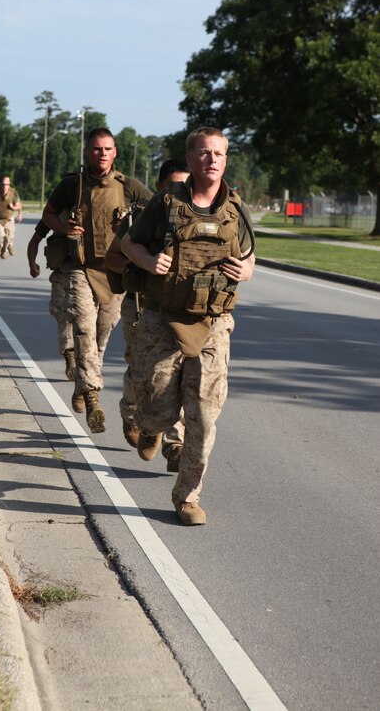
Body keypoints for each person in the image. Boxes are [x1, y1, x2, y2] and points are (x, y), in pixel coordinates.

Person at [121, 127, 255, 526]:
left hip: (213, 324)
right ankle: (149, 426)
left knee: (204, 415)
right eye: (204, 152)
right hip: (163, 321)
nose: (212, 159)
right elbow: (129, 244)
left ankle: (187, 497)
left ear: (226, 159)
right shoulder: (165, 202)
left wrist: (246, 270)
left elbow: (249, 257)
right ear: (191, 158)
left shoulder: (236, 209)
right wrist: (148, 262)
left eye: (219, 153)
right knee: (159, 409)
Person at [42, 127, 151, 433]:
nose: (102, 154)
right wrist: (64, 230)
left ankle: (82, 384)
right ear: (87, 152)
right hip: (79, 268)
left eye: (107, 149)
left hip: (116, 272)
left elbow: (158, 211)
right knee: (84, 327)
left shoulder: (129, 187)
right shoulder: (71, 186)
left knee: (101, 338)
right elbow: (49, 214)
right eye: (96, 148)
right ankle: (92, 397)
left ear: (115, 153)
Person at [105, 159, 189, 461]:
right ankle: (133, 415)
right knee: (142, 371)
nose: (179, 192)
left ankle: (174, 443)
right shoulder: (139, 216)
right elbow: (112, 258)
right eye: (172, 186)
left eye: (185, 186)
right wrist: (140, 263)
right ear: (159, 187)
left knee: (178, 376)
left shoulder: (194, 218)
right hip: (141, 306)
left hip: (181, 311)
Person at [27, 218, 76, 381]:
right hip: (62, 271)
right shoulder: (57, 211)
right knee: (60, 310)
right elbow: (35, 240)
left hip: (90, 273)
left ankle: (87, 357)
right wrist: (32, 263)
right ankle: (70, 353)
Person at [0, 176, 22, 258]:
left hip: (9, 219)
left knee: (8, 238)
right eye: (3, 184)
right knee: (0, 236)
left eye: (6, 184)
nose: (4, 186)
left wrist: (16, 210)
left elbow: (19, 205)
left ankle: (4, 251)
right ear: (1, 185)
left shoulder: (13, 193)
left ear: (9, 185)